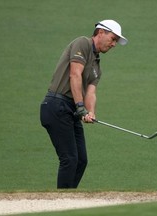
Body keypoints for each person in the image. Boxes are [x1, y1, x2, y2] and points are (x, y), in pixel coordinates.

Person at [40, 20, 128, 189]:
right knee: (70, 159)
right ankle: (63, 203)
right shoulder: (83, 43)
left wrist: (90, 112)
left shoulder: (97, 66)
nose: (114, 44)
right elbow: (75, 74)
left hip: (71, 110)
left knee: (81, 160)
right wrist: (80, 107)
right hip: (56, 105)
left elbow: (91, 92)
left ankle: (69, 199)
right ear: (101, 32)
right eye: (113, 38)